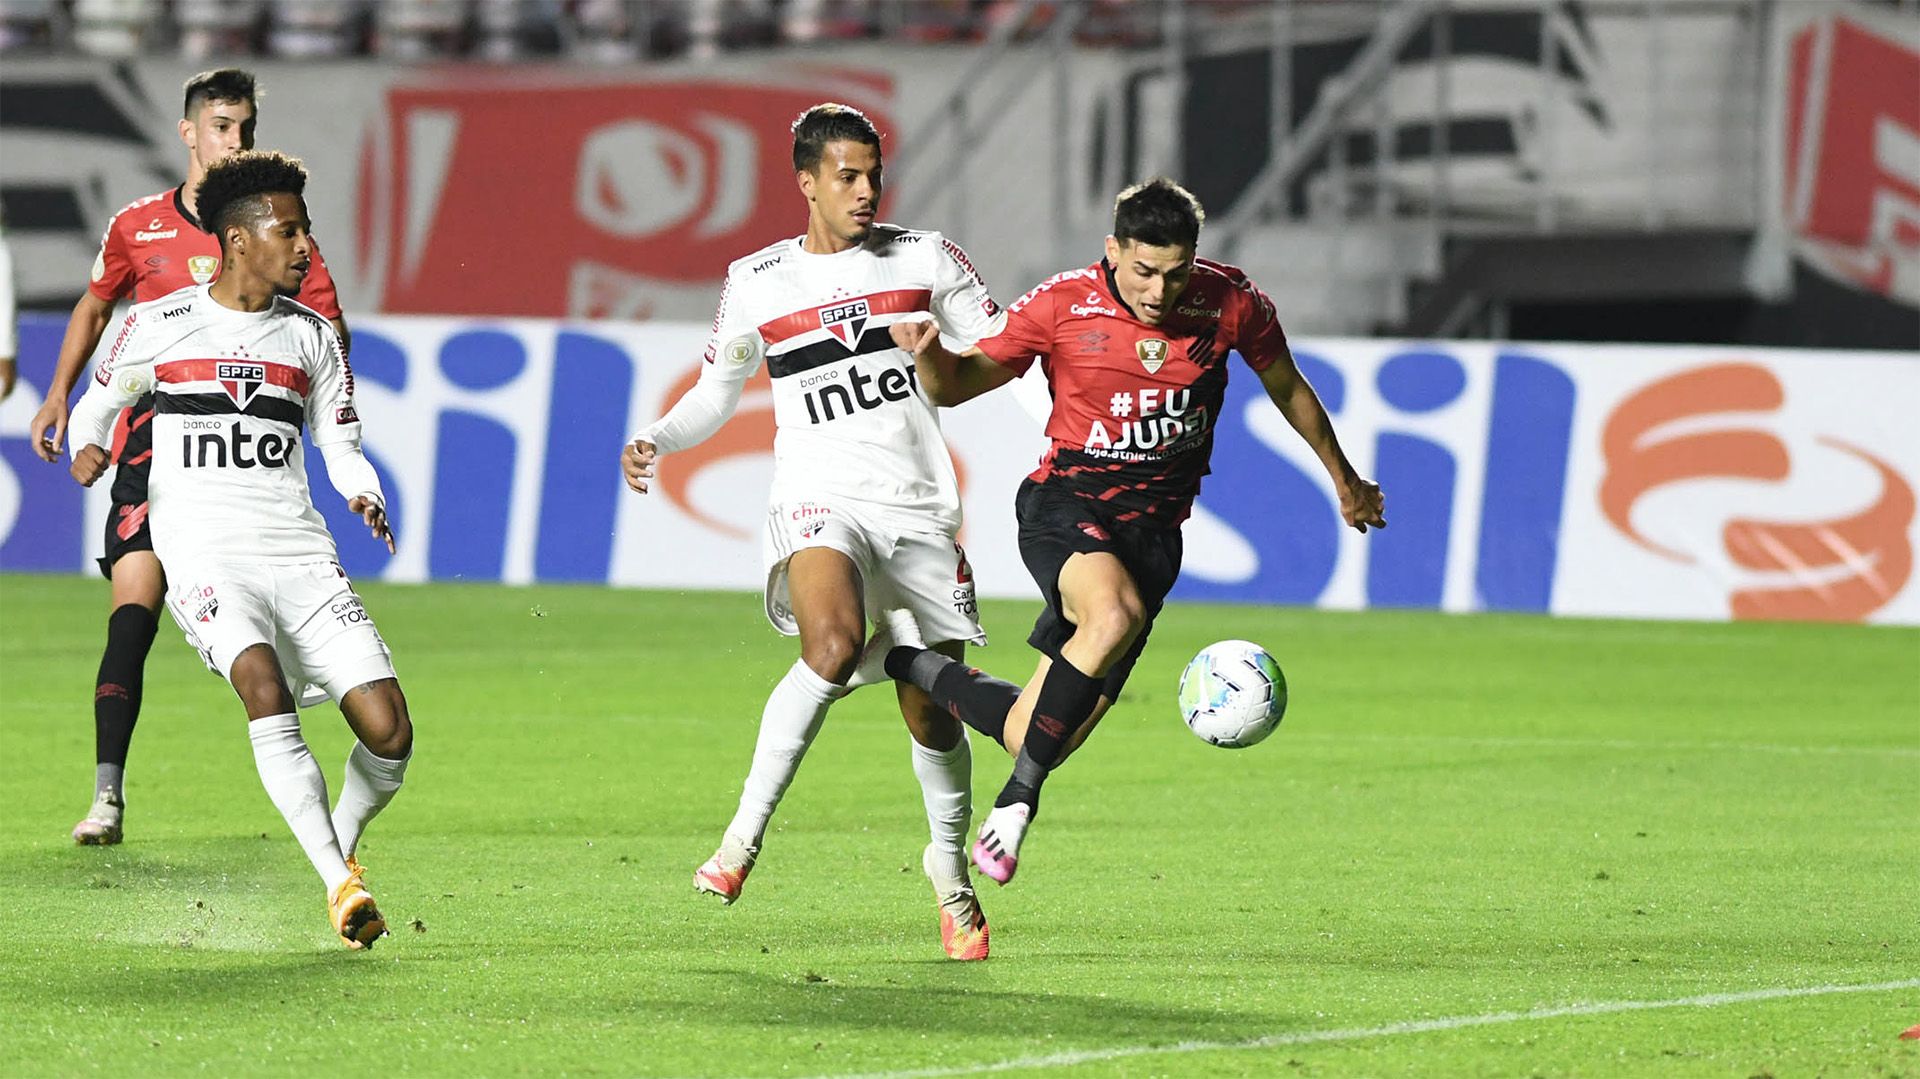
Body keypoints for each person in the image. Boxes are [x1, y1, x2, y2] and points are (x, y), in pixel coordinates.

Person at [883, 177, 1386, 885]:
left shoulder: (1231, 302)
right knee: (1112, 614)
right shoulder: (1063, 303)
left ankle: (907, 662)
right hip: (1066, 502)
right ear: (1113, 250)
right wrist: (928, 356)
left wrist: (1344, 477)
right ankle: (1016, 806)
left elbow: (1288, 385)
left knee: (1036, 733)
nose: (1159, 290)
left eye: (1176, 273)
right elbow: (955, 384)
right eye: (1144, 271)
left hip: (1153, 538)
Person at [619, 103, 1005, 961]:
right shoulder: (758, 278)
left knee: (933, 710)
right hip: (818, 495)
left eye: (873, 173)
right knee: (830, 646)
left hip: (917, 507)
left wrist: (1067, 432)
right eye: (847, 176)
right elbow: (720, 387)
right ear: (805, 181)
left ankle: (949, 877)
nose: (866, 191)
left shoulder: (926, 258)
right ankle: (739, 844)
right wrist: (660, 437)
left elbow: (1008, 349)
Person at [65, 151, 407, 951]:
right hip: (205, 551)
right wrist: (90, 446)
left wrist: (364, 489)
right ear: (236, 238)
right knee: (262, 685)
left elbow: (342, 443)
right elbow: (97, 405)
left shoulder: (312, 337)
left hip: (299, 550)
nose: (304, 248)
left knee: (389, 731)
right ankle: (338, 885)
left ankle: (339, 846)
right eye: (289, 231)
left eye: (306, 233)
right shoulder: (159, 324)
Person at [26, 68, 350, 847]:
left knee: (262, 651)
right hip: (149, 452)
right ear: (189, 132)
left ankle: (309, 781)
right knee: (130, 613)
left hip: (244, 476)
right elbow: (97, 304)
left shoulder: (271, 231)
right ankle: (108, 794)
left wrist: (329, 415)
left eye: (244, 126)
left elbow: (328, 328)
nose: (234, 139)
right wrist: (61, 396)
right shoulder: (140, 226)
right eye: (222, 126)